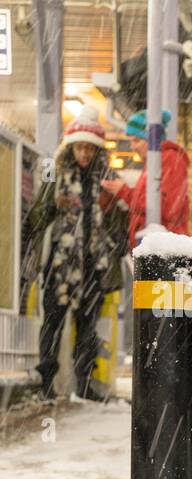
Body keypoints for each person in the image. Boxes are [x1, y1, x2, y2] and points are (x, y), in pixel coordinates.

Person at [21, 105, 127, 401]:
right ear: (71, 148)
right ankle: (45, 381)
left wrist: (115, 245)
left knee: (88, 328)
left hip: (94, 266)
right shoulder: (56, 175)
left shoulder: (106, 179)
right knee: (53, 323)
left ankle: (85, 382)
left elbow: (120, 222)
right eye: (79, 148)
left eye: (89, 149)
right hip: (61, 264)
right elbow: (38, 216)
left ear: (96, 150)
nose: (84, 154)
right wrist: (56, 204)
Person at [100, 109, 190, 248]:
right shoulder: (155, 162)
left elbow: (166, 207)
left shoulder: (170, 160)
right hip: (158, 247)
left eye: (136, 140)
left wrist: (124, 192)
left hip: (165, 250)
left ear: (152, 139)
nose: (132, 147)